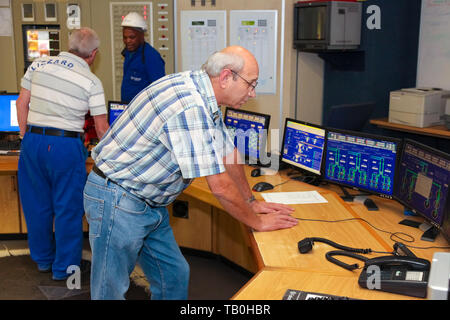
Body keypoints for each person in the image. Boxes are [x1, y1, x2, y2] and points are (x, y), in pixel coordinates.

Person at [83, 45, 298, 300]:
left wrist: (251, 202)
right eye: (250, 84)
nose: (252, 93)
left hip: (148, 202)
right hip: (118, 199)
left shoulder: (202, 91)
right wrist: (258, 223)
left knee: (173, 276)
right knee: (110, 291)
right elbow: (219, 185)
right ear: (226, 77)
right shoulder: (190, 106)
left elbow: (228, 153)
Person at [16, 27, 109, 281]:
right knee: (68, 208)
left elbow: (21, 103)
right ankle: (66, 271)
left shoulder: (38, 64)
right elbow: (102, 129)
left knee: (37, 205)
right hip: (65, 145)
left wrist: (27, 138)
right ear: (93, 54)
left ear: (69, 46)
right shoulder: (91, 81)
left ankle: (43, 260)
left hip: (33, 141)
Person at [120, 12, 165, 103]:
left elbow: (160, 91)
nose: (128, 41)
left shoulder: (151, 57)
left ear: (142, 35)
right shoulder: (128, 53)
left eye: (132, 37)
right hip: (127, 108)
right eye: (125, 37)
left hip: (143, 111)